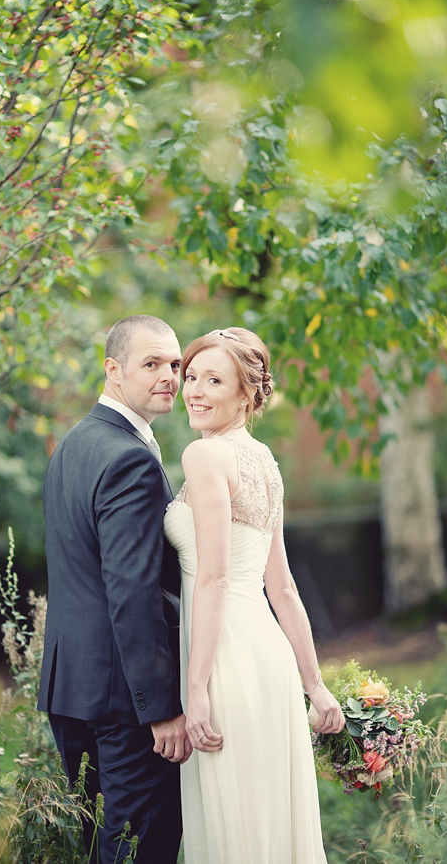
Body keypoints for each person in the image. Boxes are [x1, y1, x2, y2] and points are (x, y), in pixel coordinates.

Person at [164, 327, 345, 864]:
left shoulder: (204, 457)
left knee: (231, 829)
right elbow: (282, 587)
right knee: (264, 821)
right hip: (268, 659)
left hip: (224, 658)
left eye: (212, 380)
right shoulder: (265, 461)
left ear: (246, 393)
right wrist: (314, 686)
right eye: (190, 376)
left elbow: (215, 579)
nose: (193, 390)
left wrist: (195, 689)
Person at [38, 314, 192, 864]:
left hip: (71, 686)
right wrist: (161, 709)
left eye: (174, 365)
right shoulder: (129, 458)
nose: (169, 376)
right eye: (151, 364)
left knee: (105, 845)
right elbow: (133, 591)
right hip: (124, 700)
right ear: (113, 369)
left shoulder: (74, 445)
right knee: (139, 848)